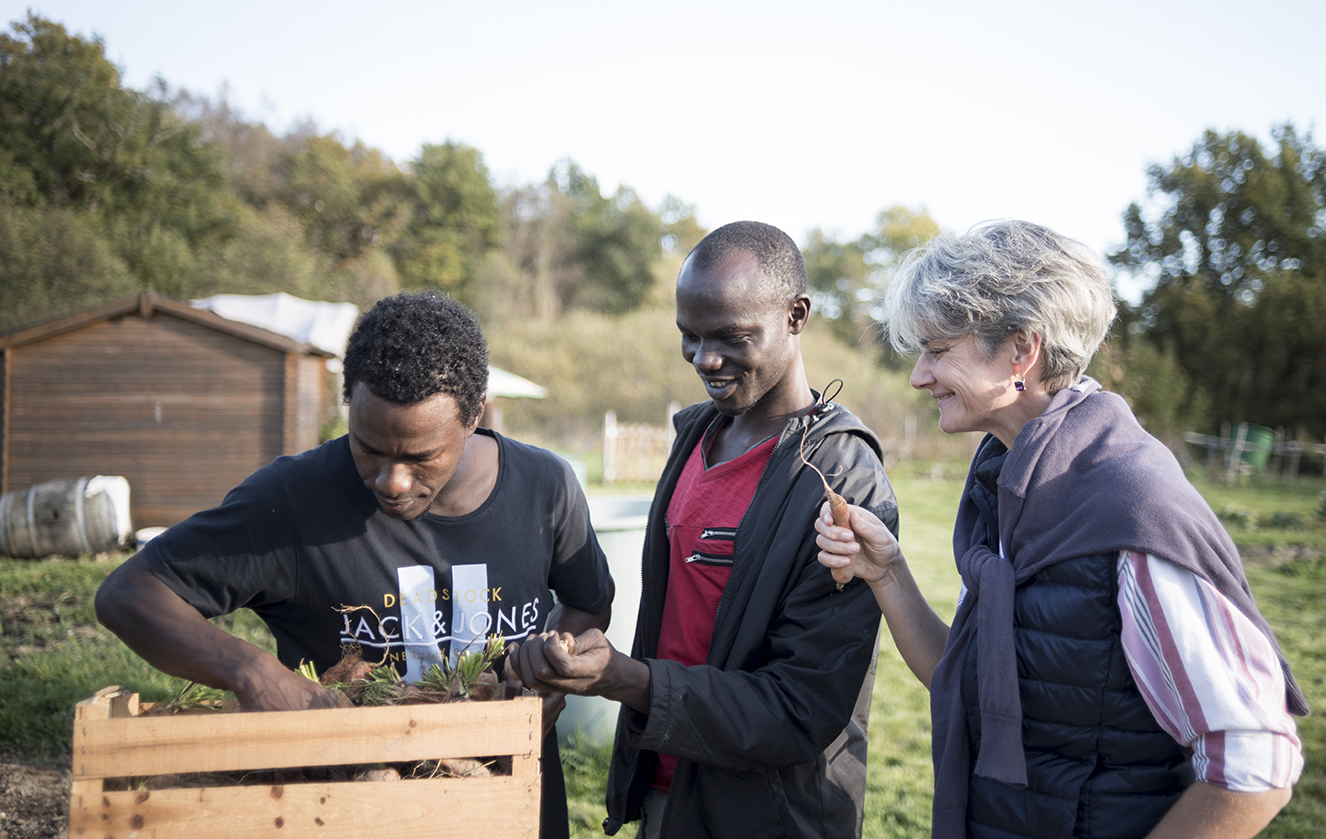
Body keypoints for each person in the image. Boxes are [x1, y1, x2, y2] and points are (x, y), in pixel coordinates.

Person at [815, 220, 1307, 839]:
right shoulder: (1011, 480)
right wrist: (886, 572)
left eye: (938, 350)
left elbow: (1256, 765)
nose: (918, 376)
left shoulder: (1130, 506)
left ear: (1022, 352)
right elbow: (967, 678)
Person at [95, 290, 612, 839]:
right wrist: (250, 672)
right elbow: (129, 593)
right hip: (346, 812)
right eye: (369, 448)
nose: (393, 481)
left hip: (515, 802)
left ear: (474, 413)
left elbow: (588, 602)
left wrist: (545, 674)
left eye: (420, 457)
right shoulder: (293, 500)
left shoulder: (544, 487)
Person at [505, 221, 901, 839]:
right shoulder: (696, 436)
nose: (705, 358)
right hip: (669, 788)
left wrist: (627, 679)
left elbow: (802, 708)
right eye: (689, 336)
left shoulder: (840, 482)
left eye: (731, 337)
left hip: (769, 815)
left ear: (797, 315)